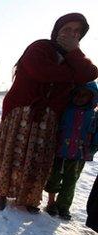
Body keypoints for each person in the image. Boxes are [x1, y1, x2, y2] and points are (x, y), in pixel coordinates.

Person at [0, 13, 98, 213]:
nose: (71, 34)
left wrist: (75, 53)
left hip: (50, 116)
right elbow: (42, 72)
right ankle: (2, 194)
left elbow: (91, 74)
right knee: (13, 153)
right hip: (22, 110)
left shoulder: (75, 57)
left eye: (76, 31)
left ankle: (29, 198)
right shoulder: (40, 47)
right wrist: (73, 75)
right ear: (57, 31)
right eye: (67, 29)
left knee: (38, 159)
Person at [44, 82, 98, 220]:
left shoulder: (93, 115)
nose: (80, 98)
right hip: (60, 151)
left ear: (92, 98)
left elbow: (96, 134)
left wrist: (93, 147)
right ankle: (51, 202)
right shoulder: (66, 110)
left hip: (79, 154)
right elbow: (56, 127)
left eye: (84, 96)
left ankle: (63, 206)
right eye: (77, 94)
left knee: (70, 181)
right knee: (54, 176)